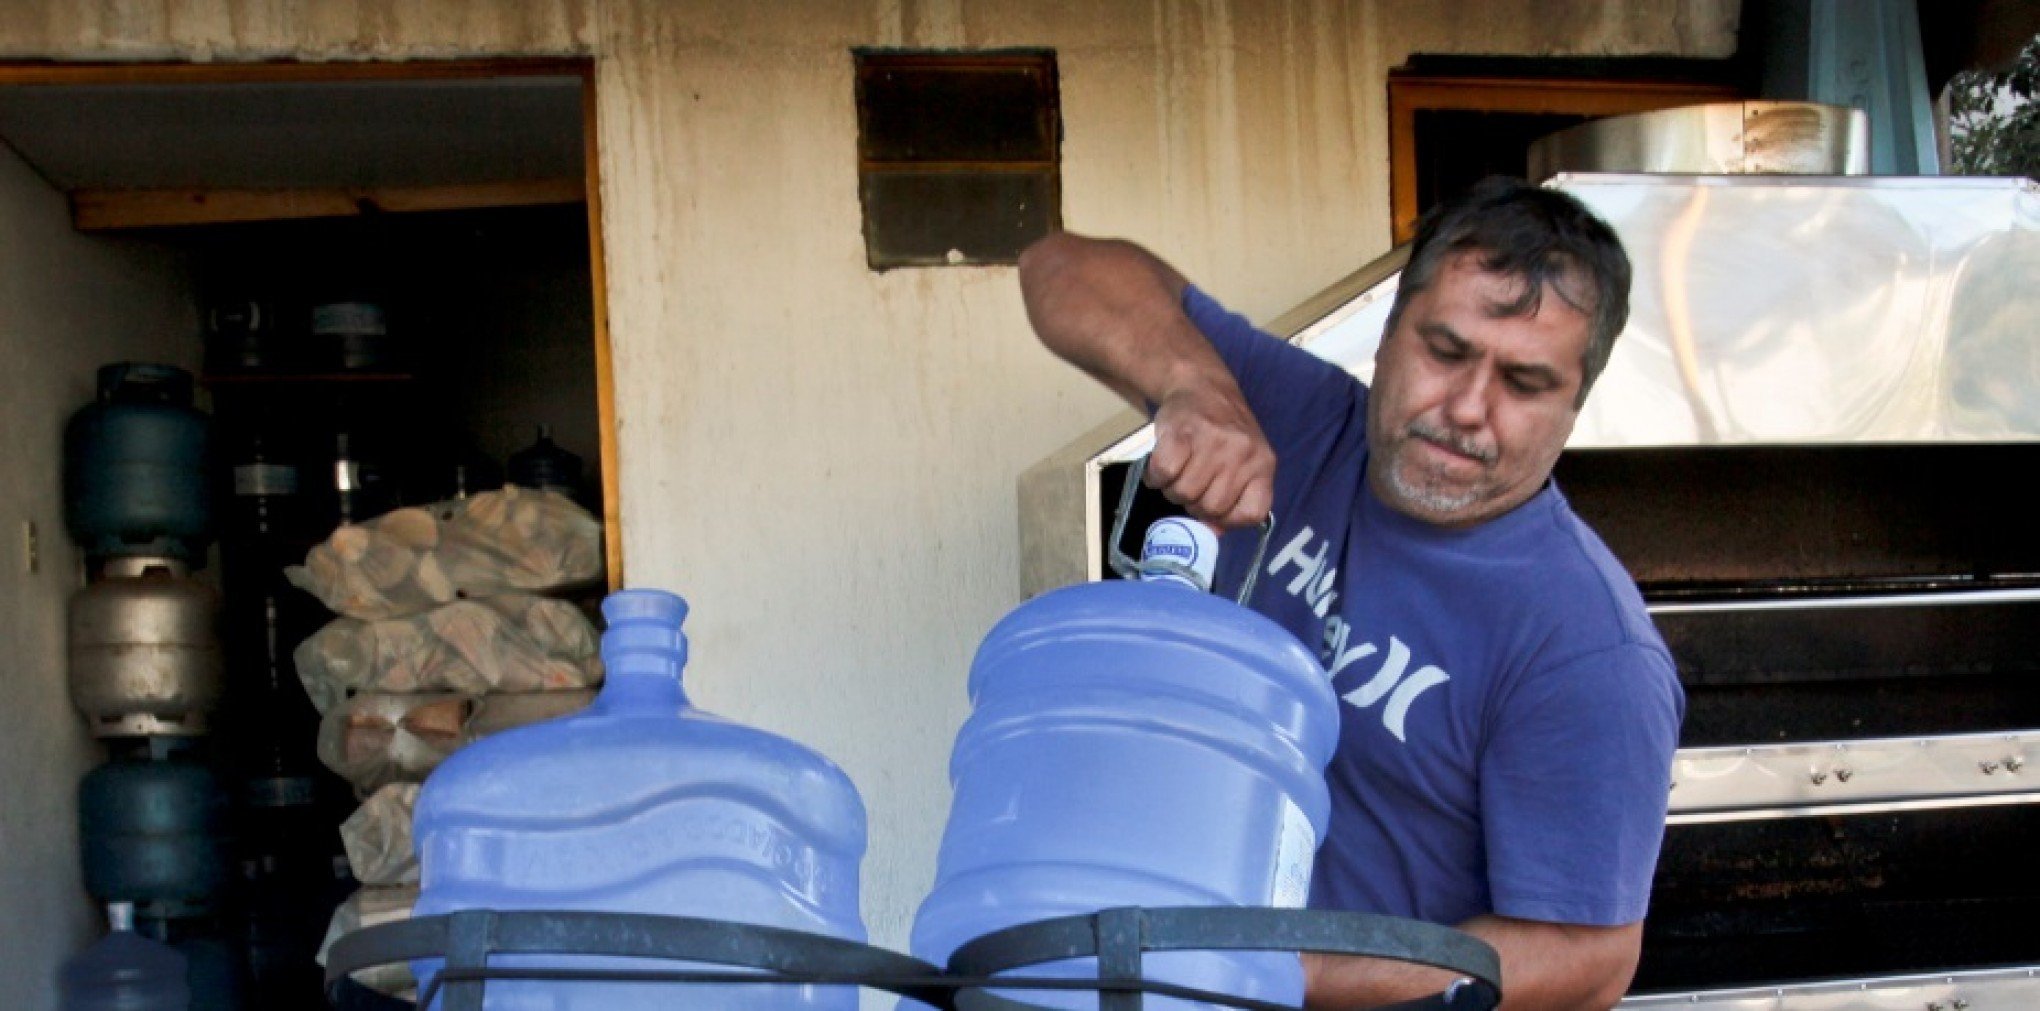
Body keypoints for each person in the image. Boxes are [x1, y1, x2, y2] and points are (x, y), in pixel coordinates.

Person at [1016, 177, 1685, 1011]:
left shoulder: (1584, 647)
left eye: (1524, 382)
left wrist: (1283, 971)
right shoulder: (1306, 420)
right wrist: (1196, 386)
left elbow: (1588, 961)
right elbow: (1058, 267)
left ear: (1573, 404)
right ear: (1387, 336)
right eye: (1445, 351)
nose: (1470, 409)